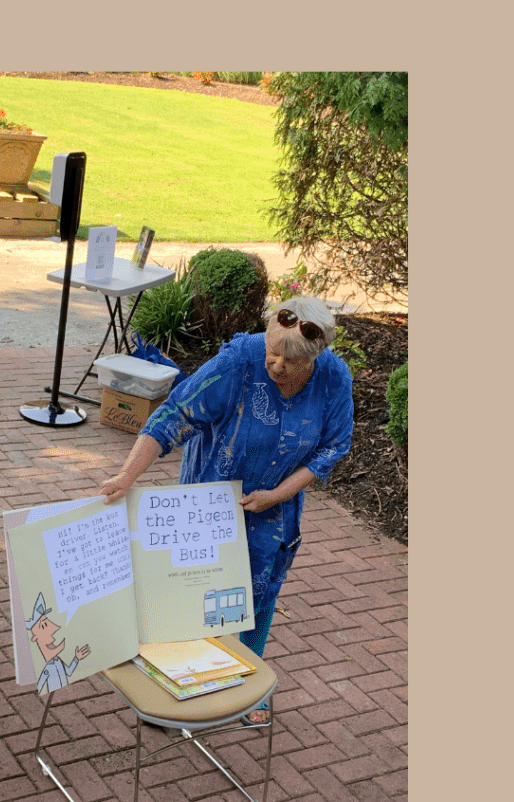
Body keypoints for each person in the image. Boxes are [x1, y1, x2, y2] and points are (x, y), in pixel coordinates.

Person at [101, 297, 354, 723]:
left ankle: (246, 683)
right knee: (189, 594)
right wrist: (126, 477)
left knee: (258, 594)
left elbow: (333, 447)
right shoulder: (240, 360)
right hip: (209, 503)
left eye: (291, 361)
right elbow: (174, 414)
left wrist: (278, 494)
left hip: (273, 512)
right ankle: (178, 683)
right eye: (273, 352)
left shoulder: (333, 378)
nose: (277, 365)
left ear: (317, 355)